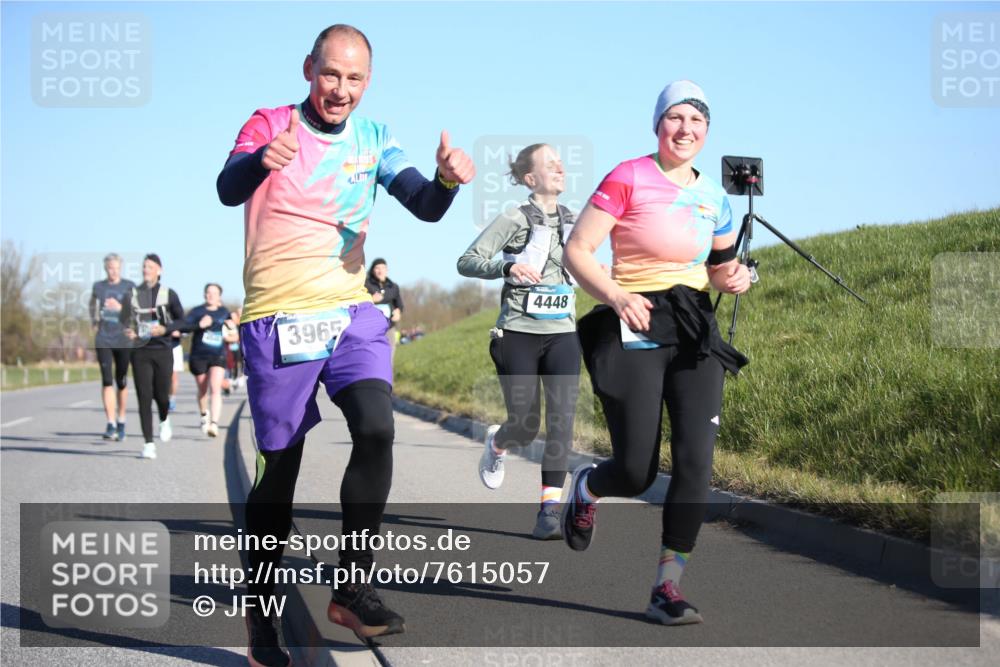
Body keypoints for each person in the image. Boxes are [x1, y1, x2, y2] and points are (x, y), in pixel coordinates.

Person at [216, 23, 474, 666]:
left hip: (351, 311)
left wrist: (445, 182)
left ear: (368, 82)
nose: (341, 90)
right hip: (279, 317)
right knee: (281, 472)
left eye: (355, 78)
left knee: (377, 427)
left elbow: (422, 203)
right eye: (331, 74)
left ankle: (351, 590)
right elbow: (226, 188)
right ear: (309, 69)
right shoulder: (269, 123)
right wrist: (259, 162)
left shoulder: (374, 137)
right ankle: (263, 621)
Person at [562, 81, 752, 626]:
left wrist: (733, 275)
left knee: (696, 462)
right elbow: (578, 250)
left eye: (696, 120)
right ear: (657, 125)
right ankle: (588, 484)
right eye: (675, 118)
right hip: (636, 319)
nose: (685, 129)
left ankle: (666, 586)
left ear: (708, 131)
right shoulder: (628, 176)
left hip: (694, 326)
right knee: (636, 470)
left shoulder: (715, 196)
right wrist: (618, 297)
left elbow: (717, 267)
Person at [457, 143, 581, 540]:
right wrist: (508, 266)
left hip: (563, 332)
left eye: (561, 161)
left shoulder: (575, 219)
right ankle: (498, 443)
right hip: (518, 332)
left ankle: (549, 511)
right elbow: (468, 260)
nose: (560, 166)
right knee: (526, 426)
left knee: (561, 422)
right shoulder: (515, 217)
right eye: (550, 163)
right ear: (531, 178)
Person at [121, 254, 186, 460]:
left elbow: (181, 321)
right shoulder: (132, 294)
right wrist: (127, 331)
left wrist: (165, 328)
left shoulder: (169, 294)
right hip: (140, 351)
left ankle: (164, 419)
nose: (145, 269)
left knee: (162, 395)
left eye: (150, 266)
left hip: (163, 350)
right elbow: (123, 321)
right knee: (144, 397)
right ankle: (148, 443)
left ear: (159, 270)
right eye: (144, 266)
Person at [89, 253, 135, 441]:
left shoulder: (129, 286)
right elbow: (92, 305)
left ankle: (121, 419)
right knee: (107, 380)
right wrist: (94, 321)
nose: (113, 271)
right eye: (110, 268)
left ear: (121, 268)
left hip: (123, 340)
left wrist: (119, 308)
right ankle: (111, 423)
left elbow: (135, 312)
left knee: (121, 381)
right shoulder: (98, 287)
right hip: (104, 339)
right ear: (106, 268)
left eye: (116, 268)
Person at [183, 283, 236, 437]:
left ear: (219, 296)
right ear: (204, 294)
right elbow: (185, 328)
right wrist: (199, 324)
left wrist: (231, 325)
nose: (211, 295)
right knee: (202, 389)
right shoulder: (197, 311)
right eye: (208, 292)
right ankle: (203, 414)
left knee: (215, 388)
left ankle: (214, 424)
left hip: (217, 355)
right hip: (199, 355)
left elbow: (232, 326)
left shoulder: (223, 311)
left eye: (214, 293)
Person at [364, 258, 403, 358]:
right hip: (370, 328)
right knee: (372, 357)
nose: (380, 271)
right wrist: (370, 299)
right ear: (372, 270)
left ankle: (388, 374)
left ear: (387, 270)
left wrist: (398, 312)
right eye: (377, 268)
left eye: (383, 268)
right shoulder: (365, 285)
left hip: (389, 327)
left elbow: (399, 305)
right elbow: (357, 302)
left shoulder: (393, 287)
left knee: (389, 357)